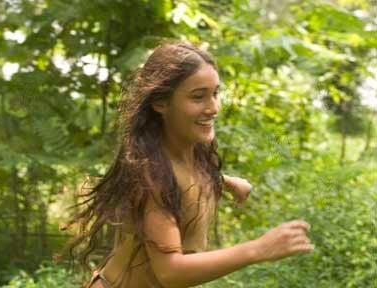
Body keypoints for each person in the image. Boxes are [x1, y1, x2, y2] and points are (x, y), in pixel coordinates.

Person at [58, 40, 314, 288]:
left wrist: (223, 181)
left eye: (215, 93)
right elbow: (170, 272)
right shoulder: (152, 176)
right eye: (198, 97)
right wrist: (258, 249)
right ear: (160, 103)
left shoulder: (191, 148)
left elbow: (186, 178)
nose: (213, 107)